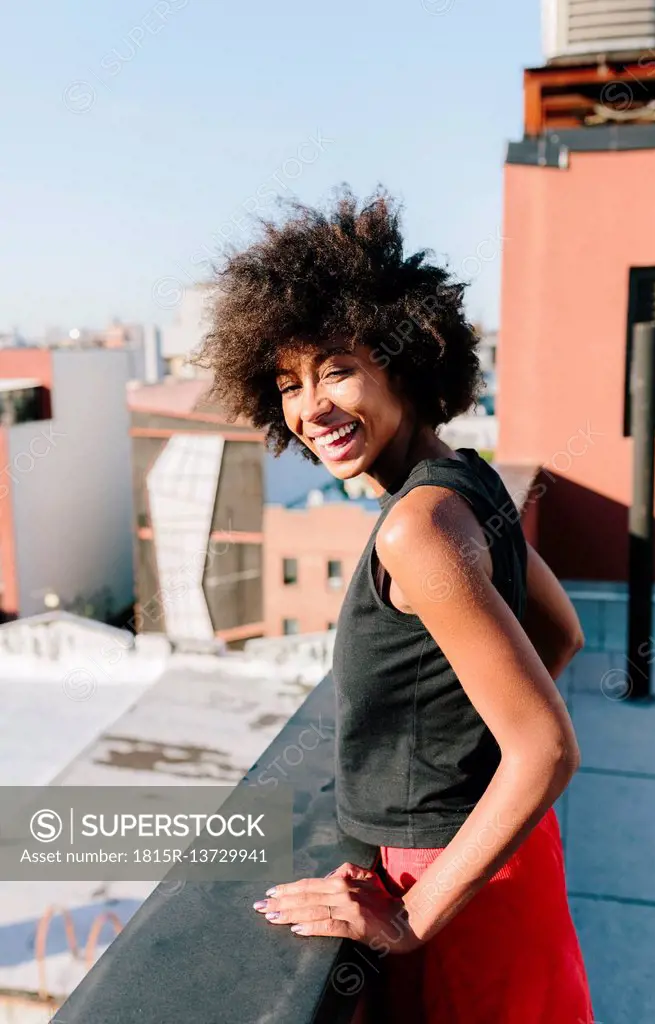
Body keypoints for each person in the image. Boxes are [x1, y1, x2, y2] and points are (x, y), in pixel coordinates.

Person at [195, 188, 594, 1022]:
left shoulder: (418, 528)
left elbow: (547, 748)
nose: (311, 408)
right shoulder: (469, 481)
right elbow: (562, 633)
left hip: (451, 886)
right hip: (504, 861)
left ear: (403, 360)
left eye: (338, 368)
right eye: (289, 383)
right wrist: (462, 750)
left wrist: (412, 910)